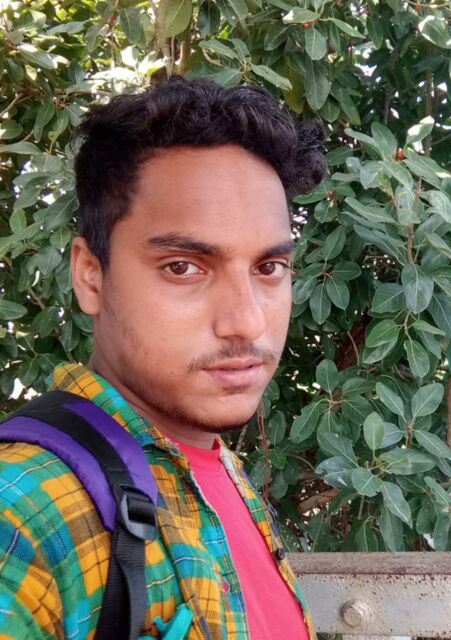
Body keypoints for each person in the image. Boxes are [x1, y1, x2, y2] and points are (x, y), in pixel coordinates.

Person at [0, 77, 326, 639]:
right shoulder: (23, 513)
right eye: (183, 267)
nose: (247, 321)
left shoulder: (214, 465)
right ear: (90, 275)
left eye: (269, 268)